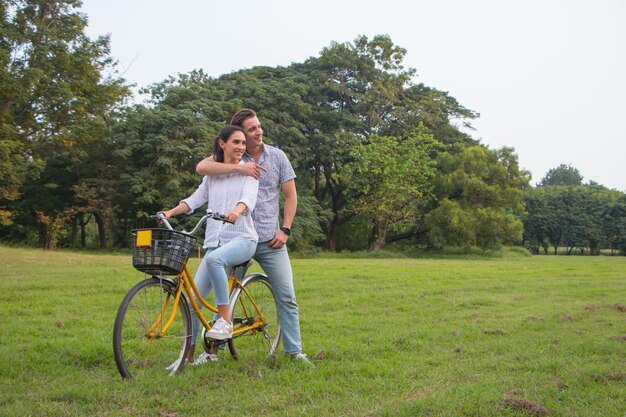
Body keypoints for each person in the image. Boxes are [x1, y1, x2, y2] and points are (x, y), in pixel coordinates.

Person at [196, 109, 311, 365]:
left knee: (286, 296)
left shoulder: (277, 156)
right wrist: (238, 168)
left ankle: (294, 353)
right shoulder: (233, 154)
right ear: (239, 135)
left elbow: (291, 196)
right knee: (221, 298)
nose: (258, 132)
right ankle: (213, 352)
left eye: (259, 127)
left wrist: (286, 229)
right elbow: (202, 167)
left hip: (270, 239)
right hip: (234, 239)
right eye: (251, 129)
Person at [163, 125, 259, 367]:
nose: (240, 147)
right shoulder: (213, 174)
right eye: (235, 142)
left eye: (243, 143)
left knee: (215, 260)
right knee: (195, 302)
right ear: (222, 144)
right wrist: (171, 212)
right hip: (215, 242)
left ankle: (224, 320)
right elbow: (195, 199)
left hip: (243, 239)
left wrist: (236, 211)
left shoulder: (250, 172)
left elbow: (247, 199)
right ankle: (188, 356)